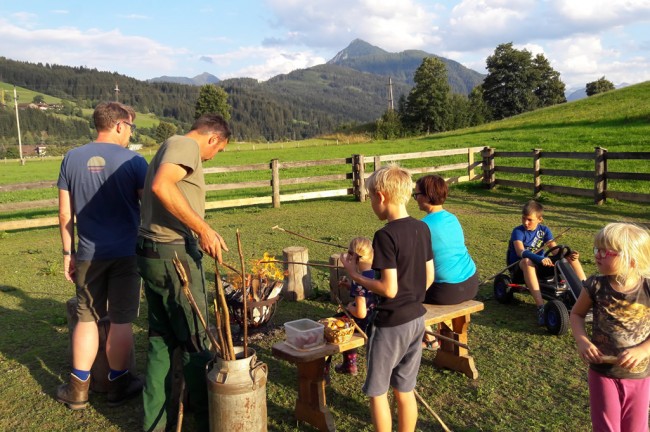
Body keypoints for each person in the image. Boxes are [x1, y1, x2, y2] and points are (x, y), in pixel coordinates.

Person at [137, 114, 231, 432]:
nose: (212, 156)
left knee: (161, 341)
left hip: (151, 251)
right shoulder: (185, 145)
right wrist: (202, 229)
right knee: (196, 338)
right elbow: (161, 186)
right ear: (213, 139)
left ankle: (155, 423)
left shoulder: (169, 145)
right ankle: (209, 419)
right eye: (217, 151)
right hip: (172, 254)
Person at [56, 101, 148, 410]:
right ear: (120, 125)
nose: (129, 133)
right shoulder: (134, 162)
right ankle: (118, 385)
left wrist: (68, 252)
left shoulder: (71, 158)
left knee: (86, 319)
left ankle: (78, 389)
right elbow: (147, 208)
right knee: (121, 320)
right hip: (126, 253)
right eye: (130, 127)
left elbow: (65, 213)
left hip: (87, 254)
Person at [341, 164, 434, 432]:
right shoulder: (422, 228)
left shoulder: (385, 235)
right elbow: (429, 275)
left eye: (371, 198)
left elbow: (389, 289)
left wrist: (355, 276)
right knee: (405, 390)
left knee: (378, 392)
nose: (371, 203)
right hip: (417, 319)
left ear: (381, 196)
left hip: (391, 324)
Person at [570, 223, 650, 432]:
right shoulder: (595, 285)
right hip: (602, 371)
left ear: (631, 259)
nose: (598, 255)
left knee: (636, 428)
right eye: (597, 249)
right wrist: (582, 340)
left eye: (606, 252)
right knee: (606, 427)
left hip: (639, 375)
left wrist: (643, 349)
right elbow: (577, 314)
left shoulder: (647, 288)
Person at [413, 174, 479, 349]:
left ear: (427, 196)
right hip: (471, 283)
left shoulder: (422, 227)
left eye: (417, 194)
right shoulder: (452, 218)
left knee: (406, 294)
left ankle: (430, 339)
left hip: (447, 290)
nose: (415, 199)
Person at [506, 200, 586, 325]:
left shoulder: (544, 231)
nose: (525, 223)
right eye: (523, 218)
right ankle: (541, 307)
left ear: (540, 219)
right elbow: (520, 252)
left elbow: (555, 251)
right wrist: (539, 259)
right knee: (527, 261)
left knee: (571, 259)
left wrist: (568, 255)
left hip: (541, 265)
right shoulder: (518, 231)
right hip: (519, 268)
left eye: (529, 220)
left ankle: (585, 293)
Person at [325, 237, 378, 378]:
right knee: (342, 321)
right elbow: (369, 294)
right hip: (377, 318)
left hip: (364, 324)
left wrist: (349, 307)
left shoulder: (359, 280)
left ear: (352, 257)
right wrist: (350, 286)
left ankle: (324, 371)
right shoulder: (376, 273)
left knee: (329, 326)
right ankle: (350, 364)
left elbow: (360, 313)